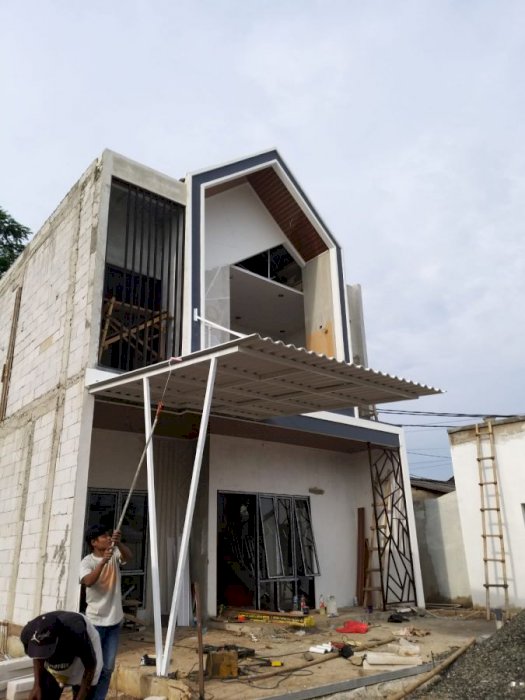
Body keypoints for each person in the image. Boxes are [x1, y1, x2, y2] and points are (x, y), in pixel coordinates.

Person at [80, 525, 132, 700]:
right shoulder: (87, 561)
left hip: (114, 621)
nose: (108, 538)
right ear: (94, 542)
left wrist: (119, 543)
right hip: (95, 622)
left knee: (108, 667)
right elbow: (88, 581)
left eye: (109, 535)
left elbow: (128, 557)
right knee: (92, 666)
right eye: (104, 536)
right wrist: (103, 562)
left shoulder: (115, 551)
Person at [20, 610, 102, 700]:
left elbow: (90, 666)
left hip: (83, 650)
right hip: (62, 653)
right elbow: (37, 656)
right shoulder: (27, 634)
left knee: (84, 693)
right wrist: (37, 685)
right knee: (45, 694)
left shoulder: (75, 633)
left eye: (47, 650)